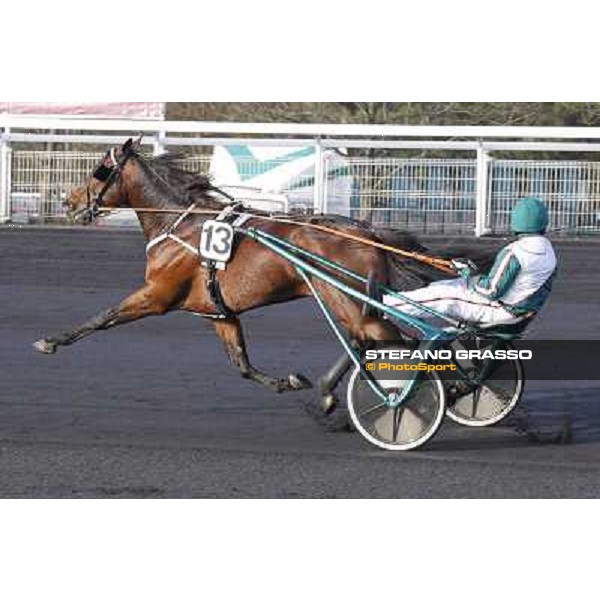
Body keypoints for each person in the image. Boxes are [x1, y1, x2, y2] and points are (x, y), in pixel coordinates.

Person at [383, 197, 557, 328]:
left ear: (515, 222)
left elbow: (490, 291)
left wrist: (469, 274)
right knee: (446, 284)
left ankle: (383, 305)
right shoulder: (549, 251)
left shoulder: (515, 251)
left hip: (501, 310)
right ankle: (393, 304)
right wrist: (469, 275)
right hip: (520, 310)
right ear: (544, 223)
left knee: (445, 295)